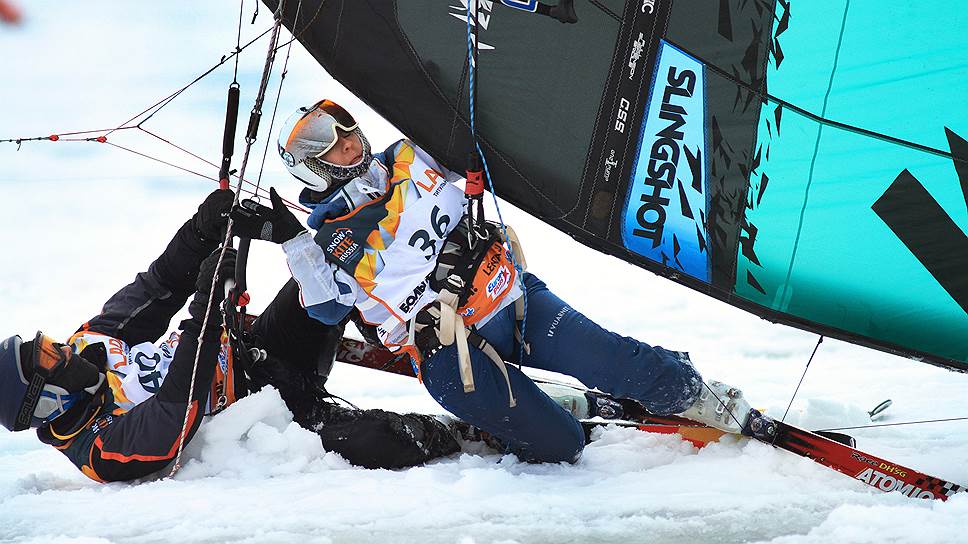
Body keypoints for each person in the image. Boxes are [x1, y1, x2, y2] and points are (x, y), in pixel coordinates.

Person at [232, 99, 754, 464]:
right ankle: (546, 412)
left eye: (348, 134)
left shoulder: (413, 156)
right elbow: (323, 311)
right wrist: (293, 242)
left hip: (514, 300)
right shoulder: (329, 241)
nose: (349, 144)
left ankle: (709, 400)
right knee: (563, 447)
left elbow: (479, 137)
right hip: (453, 357)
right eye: (333, 146)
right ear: (313, 169)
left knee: (619, 362)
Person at [0, 189, 459, 483]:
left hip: (258, 349)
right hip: (266, 419)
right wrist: (205, 308)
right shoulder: (99, 450)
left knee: (326, 270)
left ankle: (425, 301)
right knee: (384, 441)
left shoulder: (90, 343)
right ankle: (457, 436)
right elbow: (178, 408)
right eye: (45, 357)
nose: (57, 348)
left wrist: (200, 233)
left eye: (44, 341)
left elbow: (159, 285)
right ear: (45, 401)